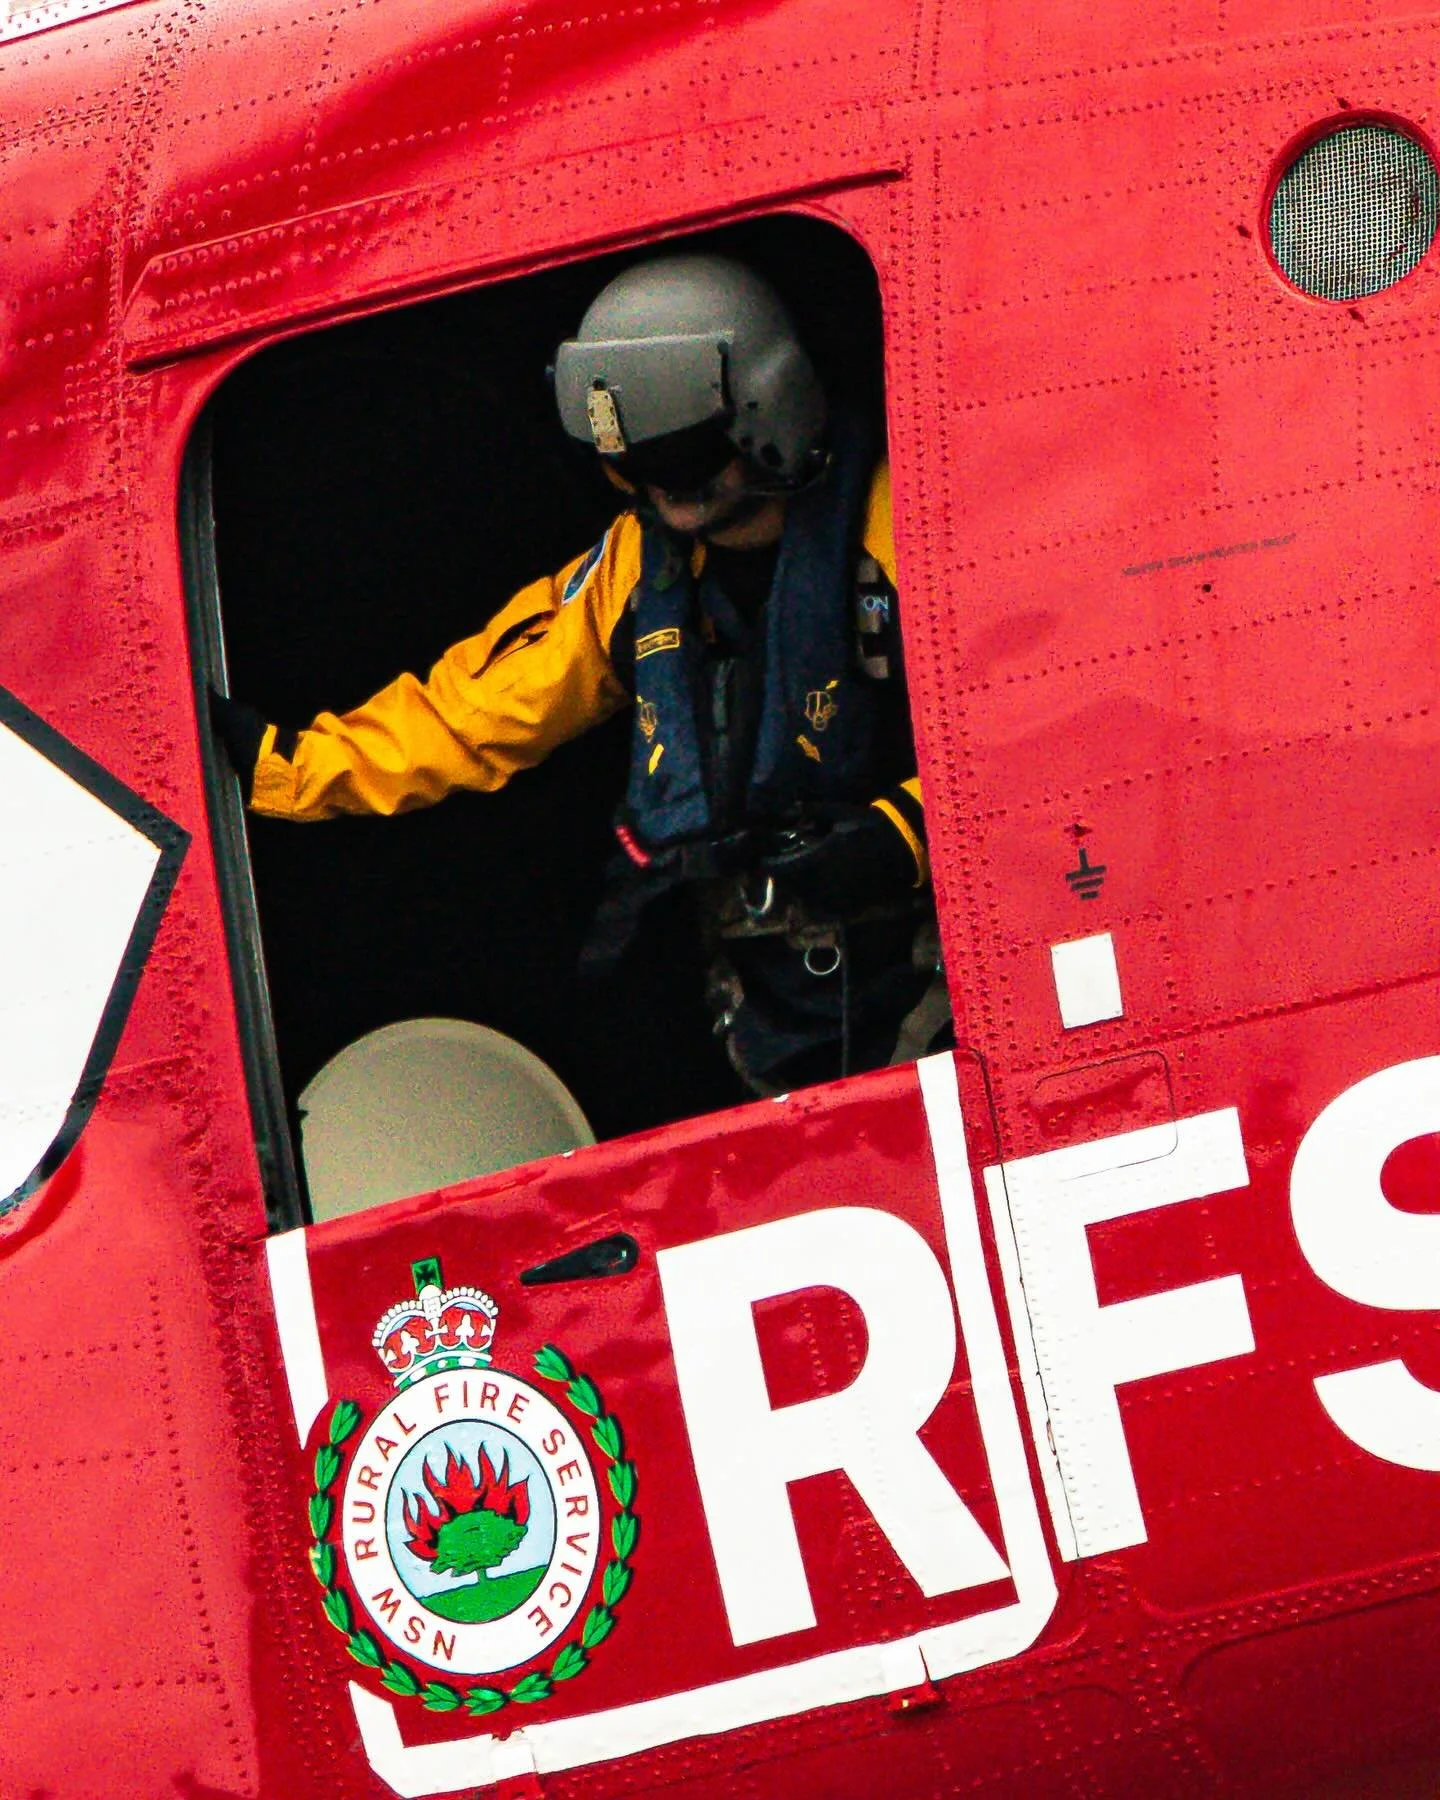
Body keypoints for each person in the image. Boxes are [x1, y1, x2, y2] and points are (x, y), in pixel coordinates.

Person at [212, 254, 948, 1096]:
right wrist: (293, 771)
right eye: (639, 461)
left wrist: (907, 830)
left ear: (762, 409)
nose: (665, 485)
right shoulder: (636, 573)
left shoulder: (904, 526)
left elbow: (1038, 719)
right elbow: (479, 709)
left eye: (682, 452)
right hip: (767, 1000)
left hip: (938, 973)